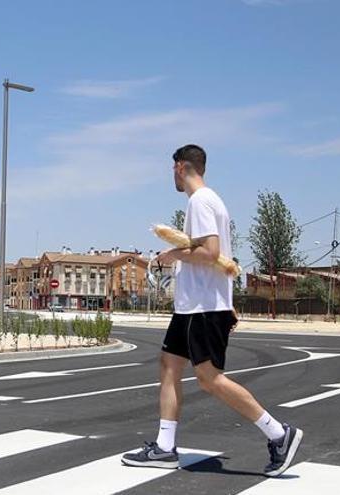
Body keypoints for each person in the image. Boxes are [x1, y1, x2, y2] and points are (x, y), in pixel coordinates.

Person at [121, 144, 303, 477]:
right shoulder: (210, 201)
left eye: (172, 170)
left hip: (202, 308)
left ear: (180, 167)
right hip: (194, 307)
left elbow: (209, 252)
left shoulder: (201, 201)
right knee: (169, 366)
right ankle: (164, 447)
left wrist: (172, 255)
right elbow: (219, 258)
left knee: (209, 379)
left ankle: (279, 433)